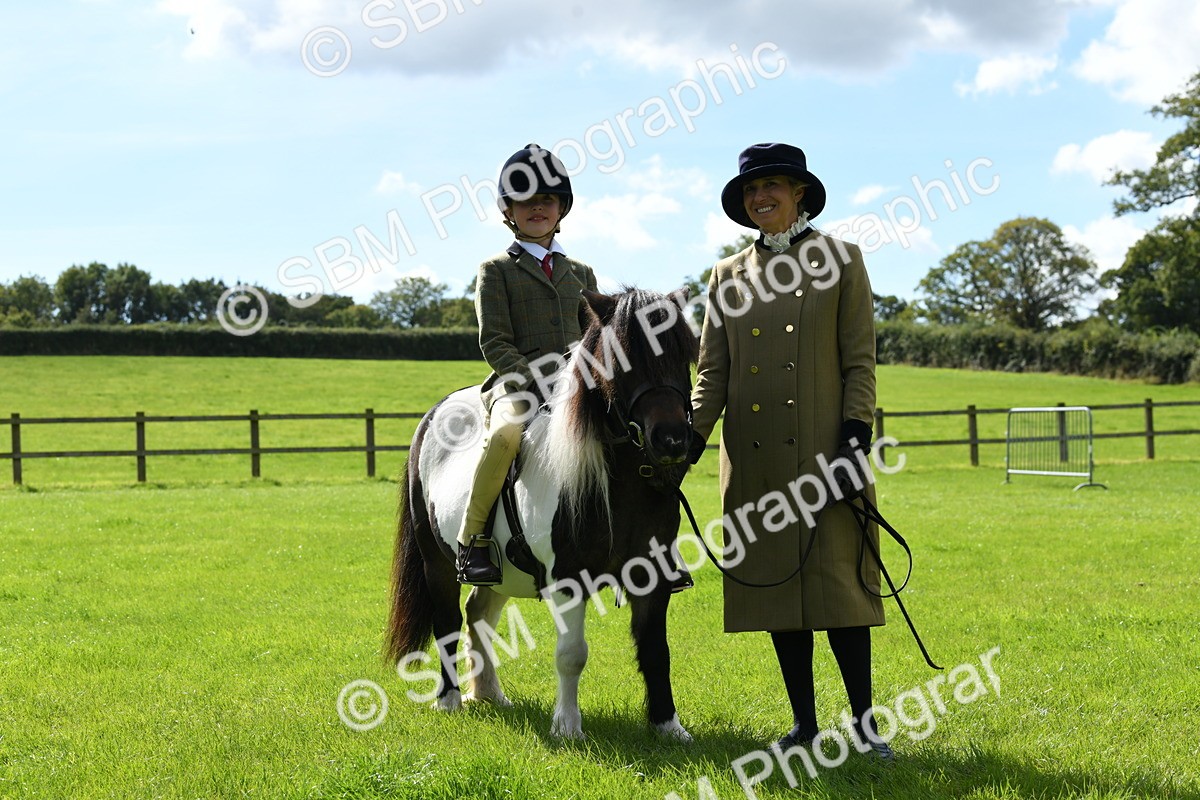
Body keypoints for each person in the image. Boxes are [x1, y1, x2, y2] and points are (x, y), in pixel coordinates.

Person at [689, 143, 893, 759]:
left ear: (799, 192)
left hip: (827, 457)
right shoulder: (726, 274)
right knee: (778, 595)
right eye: (752, 190)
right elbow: (711, 372)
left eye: (772, 186)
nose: (760, 198)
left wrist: (857, 435)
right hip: (755, 464)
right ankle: (805, 725)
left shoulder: (842, 259)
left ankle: (865, 726)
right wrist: (687, 441)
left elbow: (860, 359)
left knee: (843, 594)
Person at [456, 143, 598, 585]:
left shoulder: (582, 272)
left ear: (562, 208)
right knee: (504, 436)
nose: (538, 207)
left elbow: (595, 336)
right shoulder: (495, 270)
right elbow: (494, 340)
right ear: (509, 211)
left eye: (547, 200)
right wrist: (537, 384)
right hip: (517, 385)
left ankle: (652, 546)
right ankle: (472, 540)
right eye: (526, 201)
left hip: (578, 385)